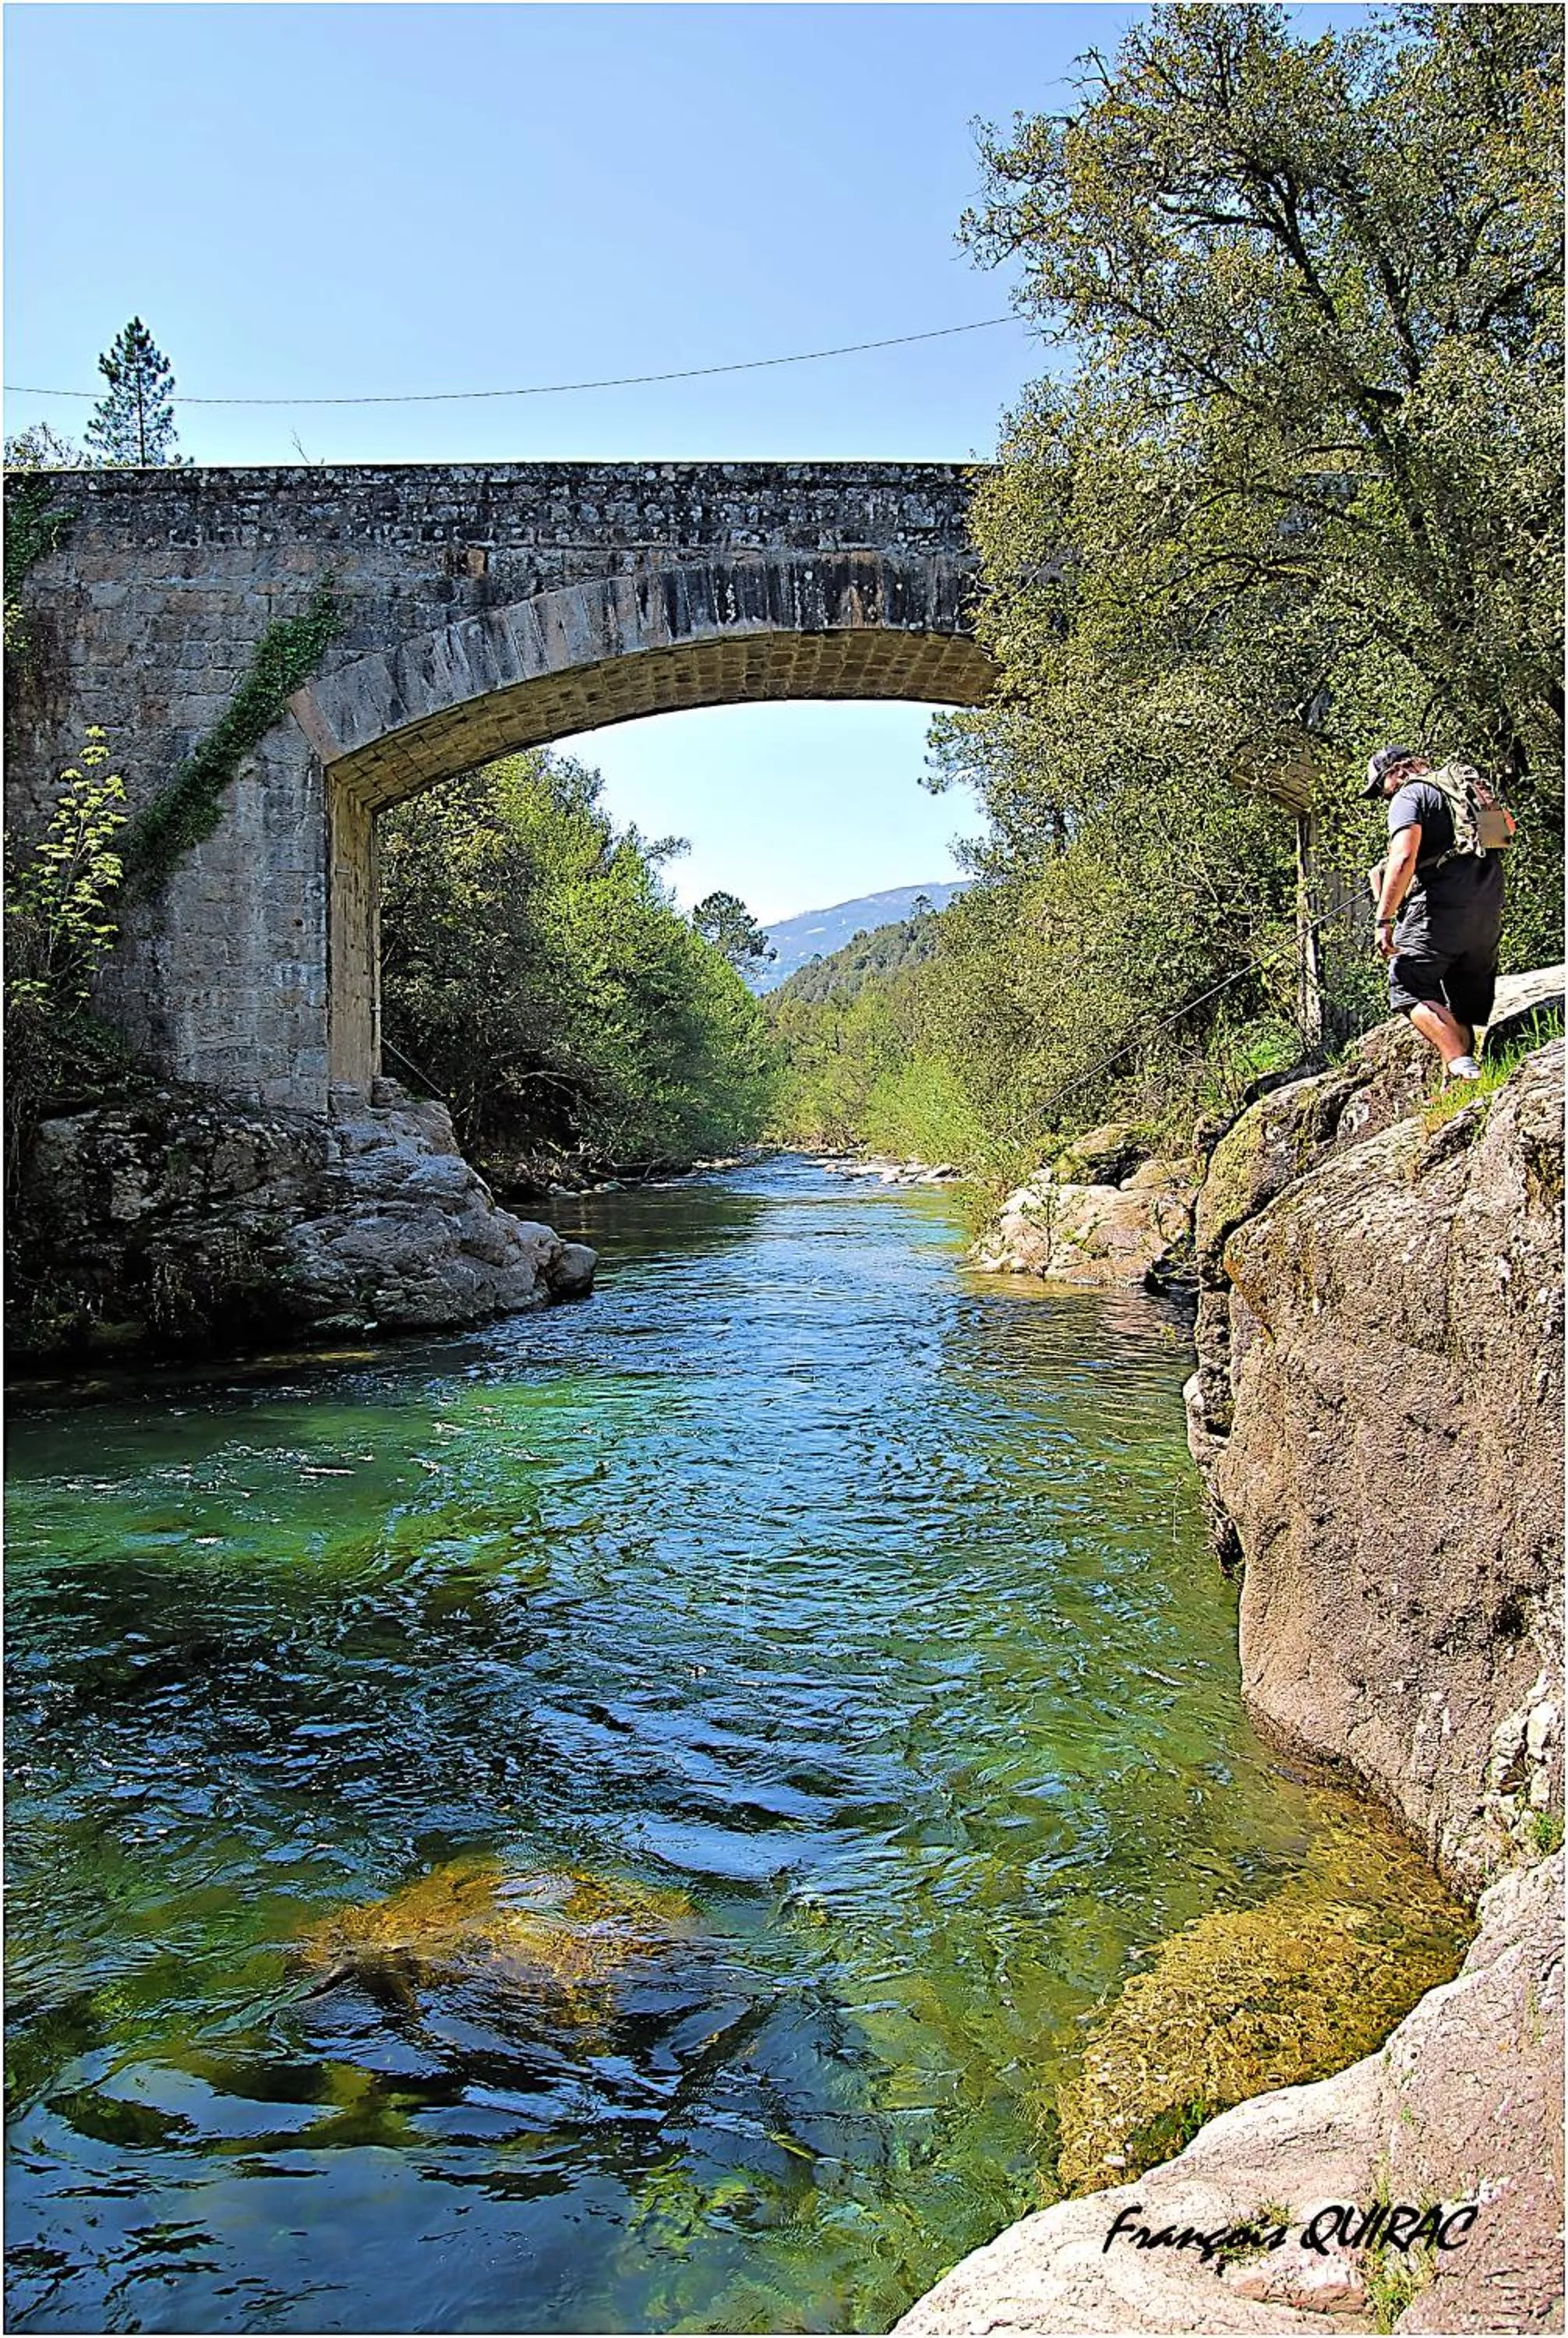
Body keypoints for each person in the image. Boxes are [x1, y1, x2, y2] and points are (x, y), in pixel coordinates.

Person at [1362, 743, 1511, 1082]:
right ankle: (1459, 1081)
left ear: (1396, 773)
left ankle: (1461, 1066)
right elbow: (1505, 834)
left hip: (1440, 905)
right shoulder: (1462, 786)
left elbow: (1403, 857)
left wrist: (1384, 920)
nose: (1384, 798)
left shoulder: (1409, 796)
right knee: (1459, 1000)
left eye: (1381, 790)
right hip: (1487, 902)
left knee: (1407, 983)